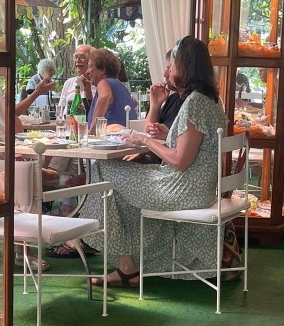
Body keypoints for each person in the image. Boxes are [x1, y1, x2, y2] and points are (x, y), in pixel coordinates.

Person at [83, 36, 227, 288]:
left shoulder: (194, 102)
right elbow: (194, 147)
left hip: (181, 190)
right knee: (118, 185)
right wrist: (165, 135)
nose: (167, 72)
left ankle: (125, 265)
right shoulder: (210, 100)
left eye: (172, 65)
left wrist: (144, 140)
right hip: (199, 189)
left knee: (103, 168)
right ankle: (129, 265)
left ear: (185, 67)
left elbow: (180, 161)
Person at [86, 48, 136, 132]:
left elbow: (104, 97)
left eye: (90, 67)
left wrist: (93, 130)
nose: (87, 72)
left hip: (110, 137)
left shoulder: (103, 83)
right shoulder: (120, 86)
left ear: (102, 69)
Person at [59, 45, 94, 117]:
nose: (78, 60)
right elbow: (61, 109)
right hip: (67, 122)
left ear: (92, 61)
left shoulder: (98, 84)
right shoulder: (69, 82)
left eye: (82, 57)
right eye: (76, 57)